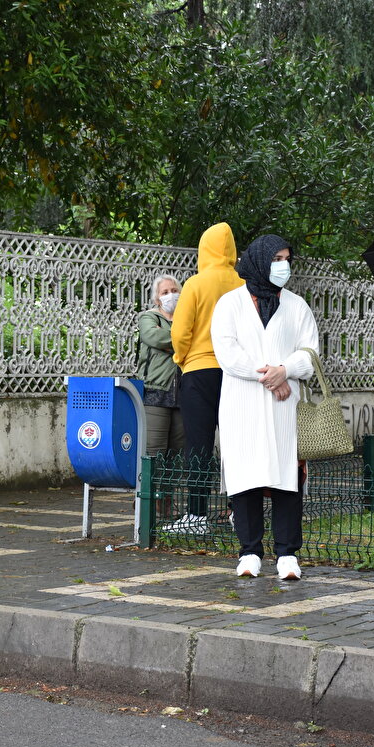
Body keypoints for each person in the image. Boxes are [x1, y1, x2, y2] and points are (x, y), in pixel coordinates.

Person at [211, 235, 319, 579]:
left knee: (287, 475)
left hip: (285, 406)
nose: (283, 264)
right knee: (246, 476)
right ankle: (250, 552)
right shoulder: (229, 304)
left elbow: (310, 353)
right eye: (276, 258)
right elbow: (227, 353)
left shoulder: (297, 306)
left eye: (287, 257)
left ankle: (287, 554)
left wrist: (285, 370)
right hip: (242, 403)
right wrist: (270, 376)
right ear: (259, 260)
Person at [168, 223, 244, 532]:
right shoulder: (243, 283)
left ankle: (197, 515)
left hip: (199, 371)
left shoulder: (196, 284)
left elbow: (180, 331)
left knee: (198, 444)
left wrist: (181, 358)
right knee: (236, 443)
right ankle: (238, 510)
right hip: (236, 373)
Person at [138, 274, 185, 456]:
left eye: (174, 291)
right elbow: (153, 337)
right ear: (157, 298)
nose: (170, 295)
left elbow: (199, 340)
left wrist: (168, 345)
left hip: (183, 393)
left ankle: (173, 486)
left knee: (179, 453)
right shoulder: (149, 317)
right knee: (154, 450)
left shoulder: (187, 318)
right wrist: (182, 345)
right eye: (165, 292)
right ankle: (153, 486)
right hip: (155, 391)